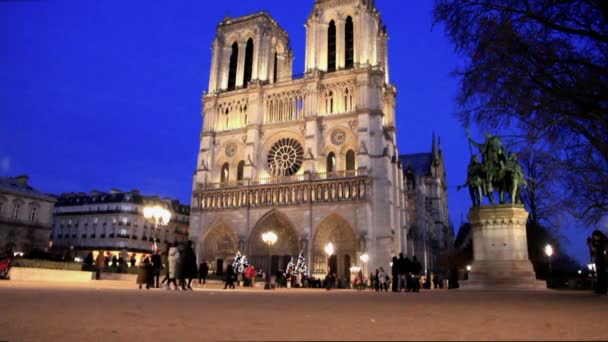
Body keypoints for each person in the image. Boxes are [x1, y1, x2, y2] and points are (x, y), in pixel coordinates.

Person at [589, 230, 607, 295]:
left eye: (596, 236)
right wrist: (592, 251)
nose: (595, 237)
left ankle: (603, 289)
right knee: (598, 273)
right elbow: (594, 249)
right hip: (597, 258)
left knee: (602, 273)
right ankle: (599, 288)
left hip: (602, 258)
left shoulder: (603, 240)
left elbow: (601, 248)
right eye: (594, 236)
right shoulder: (594, 241)